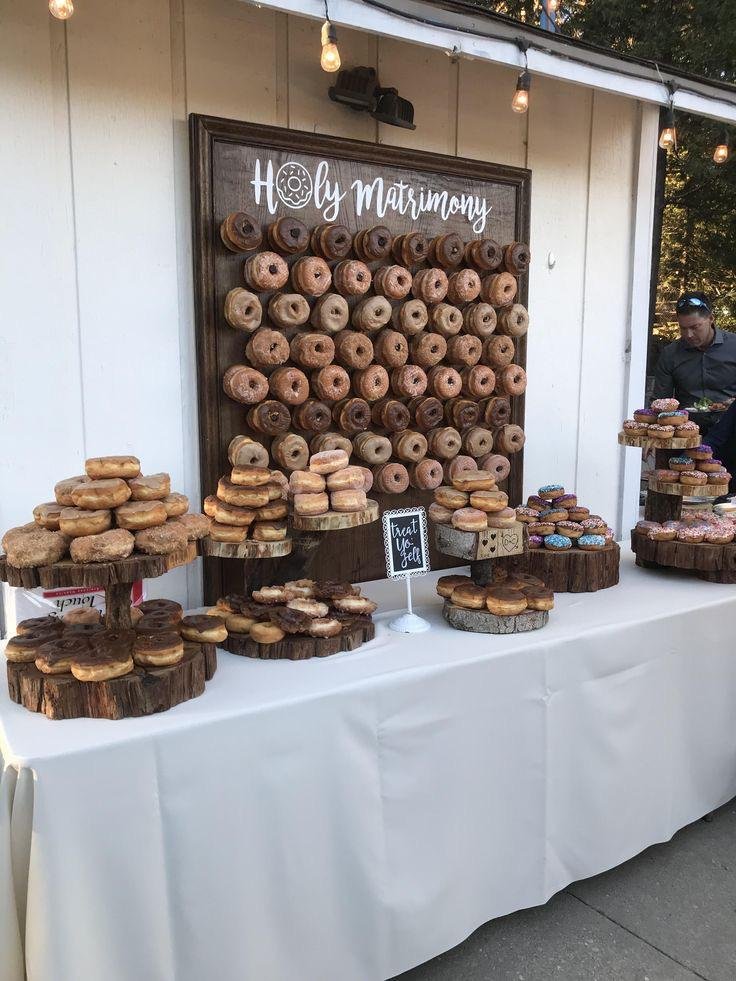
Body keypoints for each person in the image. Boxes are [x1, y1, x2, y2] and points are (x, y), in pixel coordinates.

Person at [652, 291, 736, 406]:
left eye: (695, 327)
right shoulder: (670, 354)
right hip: (687, 421)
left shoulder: (733, 346)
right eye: (683, 328)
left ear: (711, 319)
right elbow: (660, 402)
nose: (689, 335)